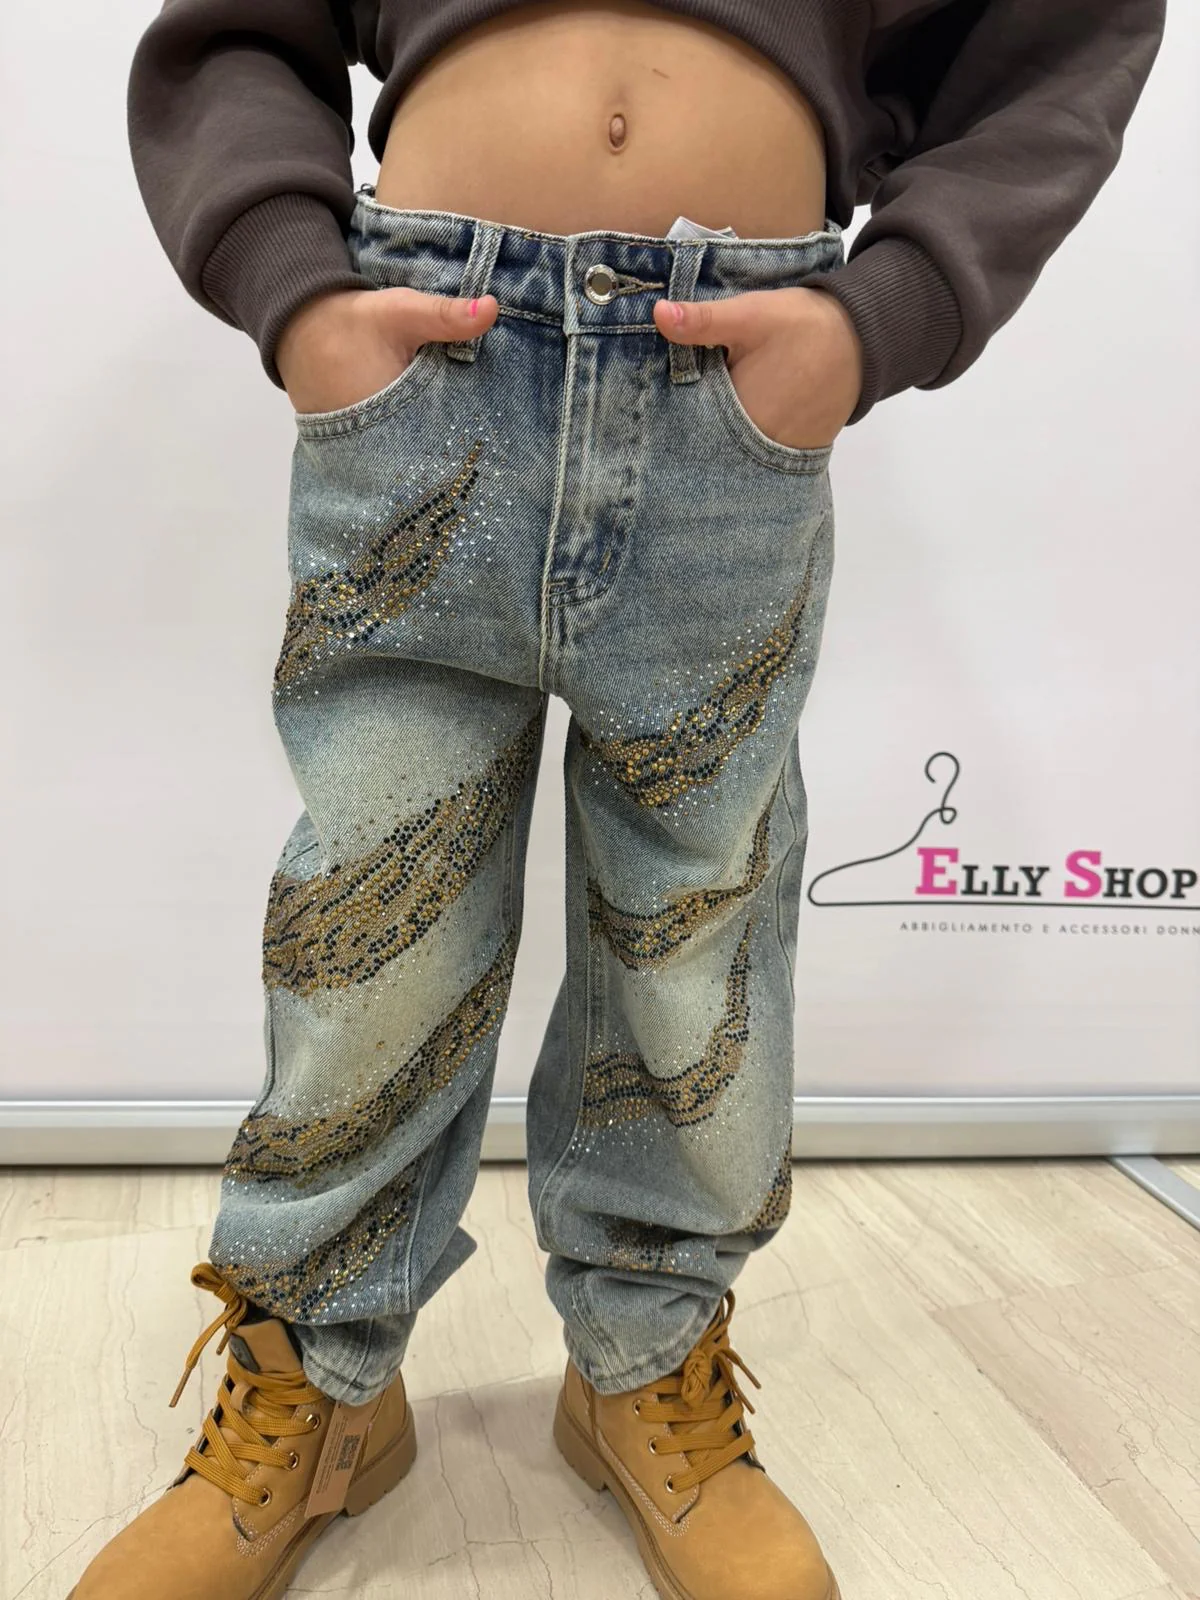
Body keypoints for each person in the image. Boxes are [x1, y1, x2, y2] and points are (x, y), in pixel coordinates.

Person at [73, 2, 1165, 1596]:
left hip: (734, 388)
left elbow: (1060, 40)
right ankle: (314, 1382)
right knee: (370, 924)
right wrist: (295, 291)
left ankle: (643, 1364)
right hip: (423, 369)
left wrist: (887, 311)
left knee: (694, 929)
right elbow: (243, 30)